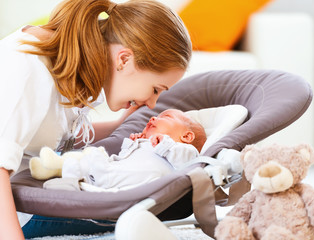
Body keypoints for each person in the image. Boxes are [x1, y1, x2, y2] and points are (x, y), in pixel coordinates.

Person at [0, 0, 192, 238]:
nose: (152, 104)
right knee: (148, 206)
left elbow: (55, 135)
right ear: (124, 60)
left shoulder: (83, 68)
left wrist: (117, 125)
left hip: (27, 191)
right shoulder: (28, 67)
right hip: (15, 210)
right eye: (155, 89)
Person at [32, 109, 207, 192]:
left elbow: (185, 160)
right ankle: (62, 174)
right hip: (118, 172)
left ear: (187, 137)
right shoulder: (148, 144)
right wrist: (133, 144)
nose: (154, 117)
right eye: (157, 115)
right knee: (95, 159)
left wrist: (164, 143)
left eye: (165, 117)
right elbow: (123, 159)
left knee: (94, 159)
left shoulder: (185, 151)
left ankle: (60, 166)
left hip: (135, 183)